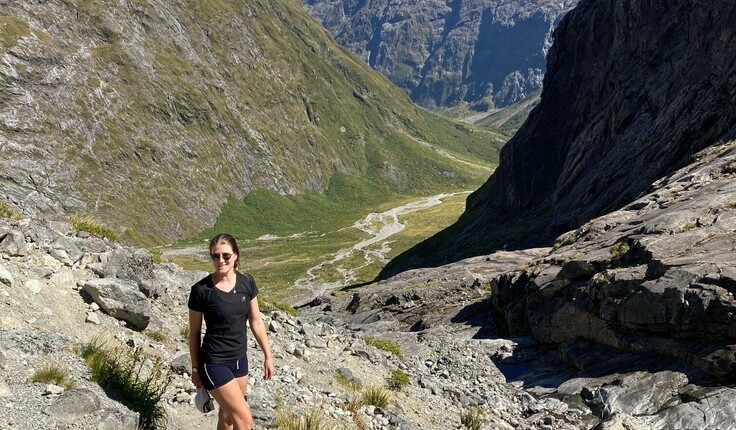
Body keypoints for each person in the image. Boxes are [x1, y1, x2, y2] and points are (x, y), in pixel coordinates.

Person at [188, 233, 274, 430]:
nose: (220, 261)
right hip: (213, 363)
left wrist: (268, 355)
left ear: (235, 255)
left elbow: (256, 321)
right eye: (215, 256)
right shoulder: (201, 290)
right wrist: (195, 369)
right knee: (244, 420)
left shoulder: (247, 283)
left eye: (225, 255)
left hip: (239, 360)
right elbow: (194, 333)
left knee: (227, 416)